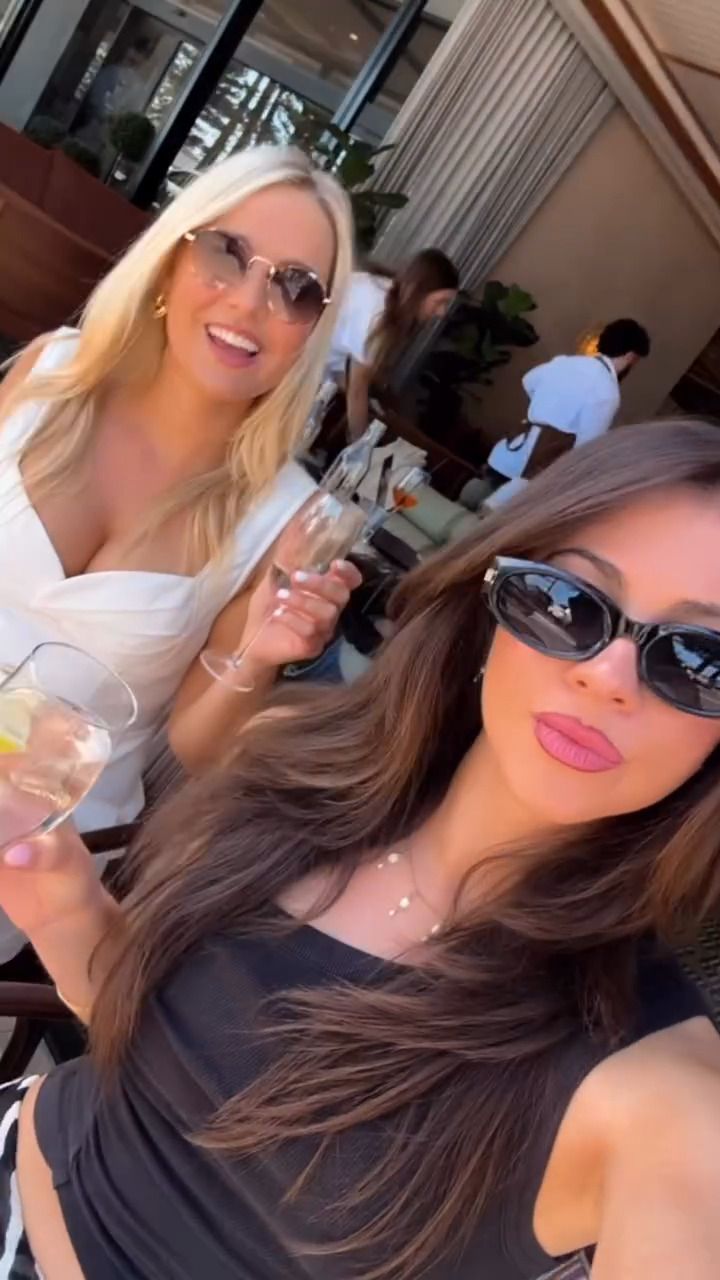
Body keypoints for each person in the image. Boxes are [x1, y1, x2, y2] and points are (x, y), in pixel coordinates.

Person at [2, 421, 720, 1279]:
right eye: (569, 604)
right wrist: (63, 904)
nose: (606, 675)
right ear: (494, 608)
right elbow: (146, 1041)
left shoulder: (661, 1093)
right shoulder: (297, 768)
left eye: (699, 661)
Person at [0, 145, 360, 958]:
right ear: (171, 258)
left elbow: (198, 749)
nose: (250, 302)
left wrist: (259, 656)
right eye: (227, 253)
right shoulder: (53, 372)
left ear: (312, 330)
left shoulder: (285, 516)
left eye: (295, 288)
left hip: (38, 845)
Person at [484, 317, 651, 506]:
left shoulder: (565, 362)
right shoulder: (607, 392)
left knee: (468, 505)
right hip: (538, 468)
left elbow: (528, 381)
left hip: (509, 452)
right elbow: (586, 445)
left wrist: (543, 410)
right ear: (630, 356)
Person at [326, 248, 459, 439]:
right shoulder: (377, 310)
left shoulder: (384, 291)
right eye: (440, 301)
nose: (442, 312)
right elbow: (357, 389)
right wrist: (359, 444)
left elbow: (346, 371)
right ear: (418, 290)